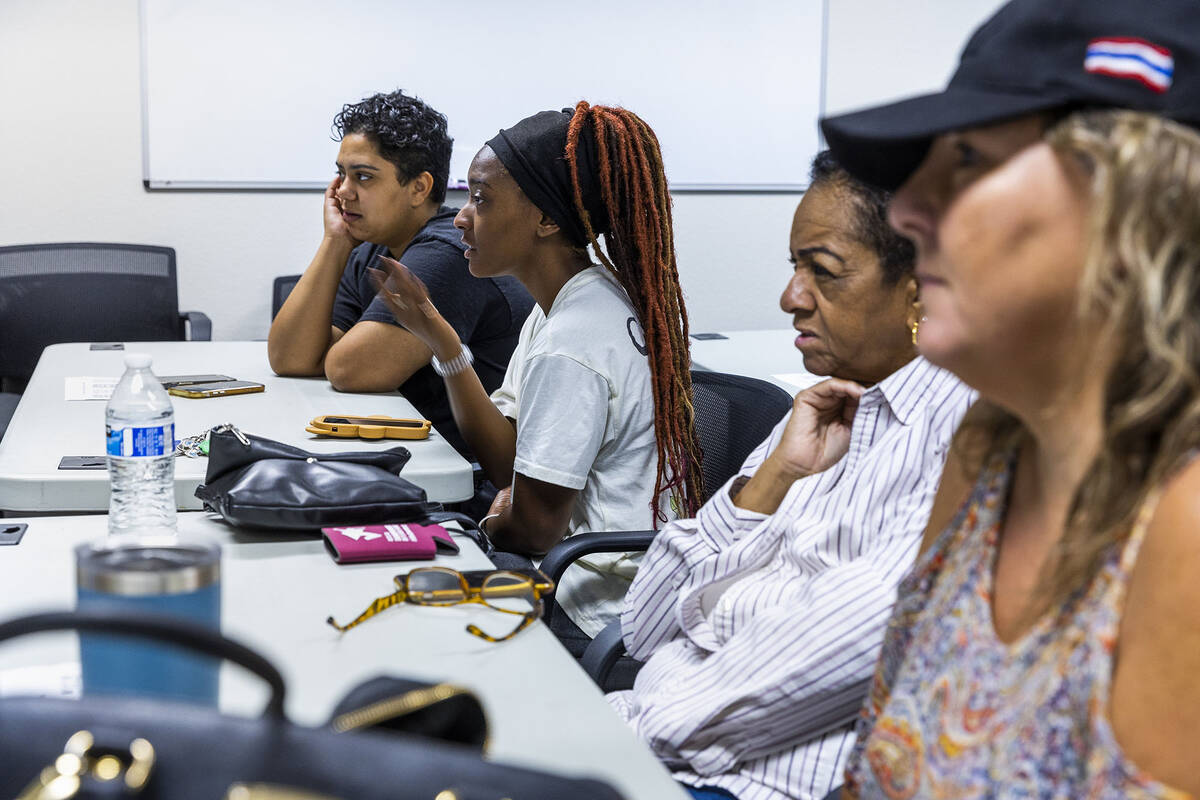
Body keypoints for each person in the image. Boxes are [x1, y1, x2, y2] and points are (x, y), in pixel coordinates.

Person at [819, 0, 1200, 796]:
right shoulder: (991, 448)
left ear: (1140, 201)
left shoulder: (1184, 525)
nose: (905, 210)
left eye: (968, 158)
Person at [608, 151, 975, 800]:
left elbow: (834, 648)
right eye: (794, 267)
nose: (790, 298)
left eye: (823, 272)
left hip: (733, 779)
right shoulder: (827, 408)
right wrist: (772, 478)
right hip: (661, 745)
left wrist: (614, 730)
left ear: (919, 292)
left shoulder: (960, 436)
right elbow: (644, 625)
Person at [371, 102, 705, 642]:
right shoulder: (569, 304)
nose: (460, 216)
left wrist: (496, 520)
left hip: (593, 609)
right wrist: (443, 341)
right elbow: (508, 462)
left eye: (481, 198)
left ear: (547, 218)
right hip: (600, 581)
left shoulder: (572, 340)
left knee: (404, 619)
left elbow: (532, 528)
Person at [267, 90, 533, 458]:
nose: (343, 192)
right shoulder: (369, 249)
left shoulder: (448, 254)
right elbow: (290, 359)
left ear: (419, 188)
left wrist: (332, 354)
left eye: (363, 177)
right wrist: (334, 242)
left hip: (472, 480)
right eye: (341, 175)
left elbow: (349, 370)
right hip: (419, 458)